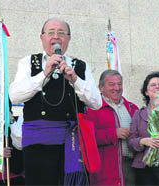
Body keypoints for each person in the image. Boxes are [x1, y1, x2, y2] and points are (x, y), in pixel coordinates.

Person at [8, 18, 102, 185]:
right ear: (42, 37)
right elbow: (15, 96)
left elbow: (96, 102)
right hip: (37, 144)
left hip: (71, 144)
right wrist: (44, 74)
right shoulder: (28, 62)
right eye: (51, 32)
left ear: (69, 38)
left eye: (61, 33)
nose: (56, 37)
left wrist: (75, 80)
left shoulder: (79, 66)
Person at [86, 69, 139, 186]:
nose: (117, 88)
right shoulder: (92, 109)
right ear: (101, 87)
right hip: (105, 171)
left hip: (130, 169)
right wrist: (113, 134)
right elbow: (86, 140)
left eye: (119, 84)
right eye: (111, 84)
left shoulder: (132, 108)